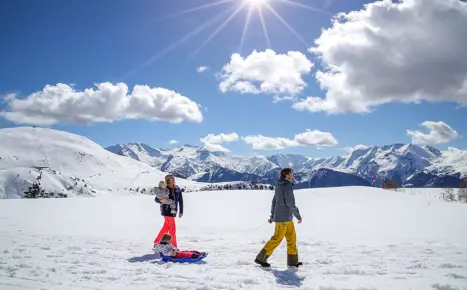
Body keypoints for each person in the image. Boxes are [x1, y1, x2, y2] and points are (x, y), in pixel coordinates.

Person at [254, 168, 303, 268]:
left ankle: (293, 262)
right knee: (277, 238)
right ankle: (260, 258)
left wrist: (272, 215)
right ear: (287, 175)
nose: (293, 175)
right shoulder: (287, 185)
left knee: (292, 239)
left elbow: (274, 202)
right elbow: (290, 203)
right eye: (292, 174)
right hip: (283, 219)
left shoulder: (279, 185)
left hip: (287, 218)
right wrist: (298, 216)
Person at [153, 174, 184, 248]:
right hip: (166, 211)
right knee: (172, 229)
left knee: (166, 227)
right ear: (166, 181)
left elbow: (181, 200)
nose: (171, 180)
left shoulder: (177, 188)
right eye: (169, 179)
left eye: (172, 179)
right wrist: (161, 200)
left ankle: (157, 242)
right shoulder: (164, 189)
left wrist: (181, 211)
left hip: (173, 211)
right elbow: (156, 199)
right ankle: (174, 247)